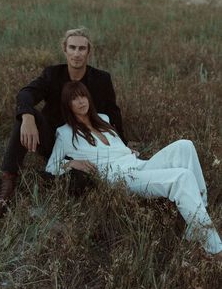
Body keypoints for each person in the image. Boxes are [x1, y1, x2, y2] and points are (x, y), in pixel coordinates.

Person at [46, 81, 222, 261]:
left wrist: (126, 150)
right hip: (119, 176)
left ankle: (197, 222)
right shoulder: (65, 133)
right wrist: (72, 163)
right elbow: (51, 166)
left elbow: (117, 145)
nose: (81, 101)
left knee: (185, 145)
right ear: (68, 104)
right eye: (74, 99)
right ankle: (214, 249)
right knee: (182, 177)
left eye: (82, 95)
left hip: (136, 163)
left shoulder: (103, 119)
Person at [0, 27, 126, 220]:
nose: (77, 53)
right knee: (25, 117)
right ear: (65, 49)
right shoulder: (52, 74)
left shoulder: (101, 79)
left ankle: (47, 178)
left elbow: (113, 112)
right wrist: (27, 117)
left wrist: (124, 146)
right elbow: (26, 93)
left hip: (86, 146)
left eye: (81, 49)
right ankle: (7, 187)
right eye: (72, 47)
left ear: (88, 52)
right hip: (53, 140)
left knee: (81, 184)